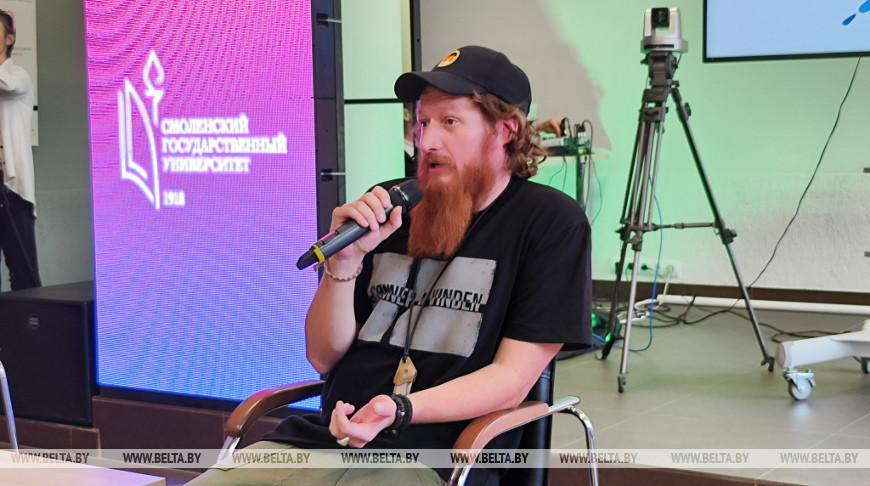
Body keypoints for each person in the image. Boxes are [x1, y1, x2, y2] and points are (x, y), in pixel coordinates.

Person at [190, 45, 592, 486]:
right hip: (324, 439)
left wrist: (400, 409)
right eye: (422, 122)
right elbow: (322, 356)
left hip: (436, 456)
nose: (426, 141)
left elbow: (511, 379)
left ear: (506, 130)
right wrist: (344, 264)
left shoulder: (549, 223)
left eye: (449, 122)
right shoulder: (392, 206)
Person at [0, 9, 39, 291]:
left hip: (13, 191)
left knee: (24, 275)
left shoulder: (19, 75)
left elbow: (7, 85)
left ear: (9, 39)